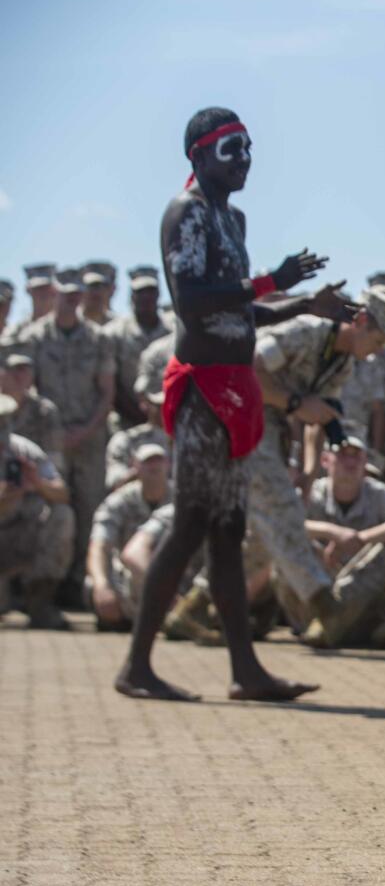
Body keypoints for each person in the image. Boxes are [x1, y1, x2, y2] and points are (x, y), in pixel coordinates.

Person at [116, 106, 341, 703]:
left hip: (235, 390)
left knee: (227, 529)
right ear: (197, 155)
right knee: (192, 524)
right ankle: (136, 666)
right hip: (201, 391)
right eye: (230, 149)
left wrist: (302, 304)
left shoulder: (231, 219)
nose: (244, 160)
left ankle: (245, 672)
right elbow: (191, 303)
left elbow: (240, 309)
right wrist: (272, 281)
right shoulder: (185, 213)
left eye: (248, 149)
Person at [248, 286, 385, 642]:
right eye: (377, 341)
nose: (377, 352)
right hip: (243, 415)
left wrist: (309, 474)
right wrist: (295, 403)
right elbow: (250, 369)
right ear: (361, 321)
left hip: (271, 424)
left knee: (260, 528)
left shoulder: (343, 363)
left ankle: (195, 604)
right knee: (279, 509)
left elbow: (322, 416)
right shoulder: (307, 331)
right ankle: (325, 605)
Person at [13, 265, 115, 602]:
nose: (71, 301)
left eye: (76, 296)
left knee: (89, 508)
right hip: (46, 437)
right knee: (46, 505)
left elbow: (106, 391)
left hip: (90, 437)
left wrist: (85, 429)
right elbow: (26, 385)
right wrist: (54, 430)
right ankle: (39, 585)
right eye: (65, 295)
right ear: (55, 295)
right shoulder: (34, 337)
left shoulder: (99, 338)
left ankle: (78, 585)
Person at [282, 436, 385, 648]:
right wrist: (333, 532)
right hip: (314, 602)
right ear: (325, 460)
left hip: (365, 601)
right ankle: (333, 623)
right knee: (287, 542)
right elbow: (282, 523)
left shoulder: (378, 494)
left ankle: (339, 625)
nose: (350, 462)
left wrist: (363, 537)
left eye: (357, 456)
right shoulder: (313, 493)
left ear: (365, 463)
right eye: (343, 455)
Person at [0, 394, 75, 628]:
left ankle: (39, 602)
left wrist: (38, 483)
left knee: (62, 516)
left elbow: (62, 492)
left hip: (19, 535)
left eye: (4, 420)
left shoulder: (23, 450)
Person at [86, 442, 170, 632]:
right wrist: (101, 586)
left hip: (173, 577)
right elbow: (99, 546)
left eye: (159, 460)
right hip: (129, 578)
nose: (154, 466)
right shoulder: (118, 501)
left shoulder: (181, 499)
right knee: (92, 584)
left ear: (169, 465)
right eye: (148, 461)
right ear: (135, 468)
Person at [103, 265, 172, 428]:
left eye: (150, 291)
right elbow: (111, 382)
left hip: (169, 419)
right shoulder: (114, 332)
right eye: (140, 292)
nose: (146, 297)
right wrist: (139, 415)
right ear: (132, 295)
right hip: (126, 421)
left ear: (158, 293)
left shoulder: (174, 329)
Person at [1, 354, 64, 462]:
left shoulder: (44, 410)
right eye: (14, 371)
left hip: (34, 470)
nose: (20, 377)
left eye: (25, 372)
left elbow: (53, 454)